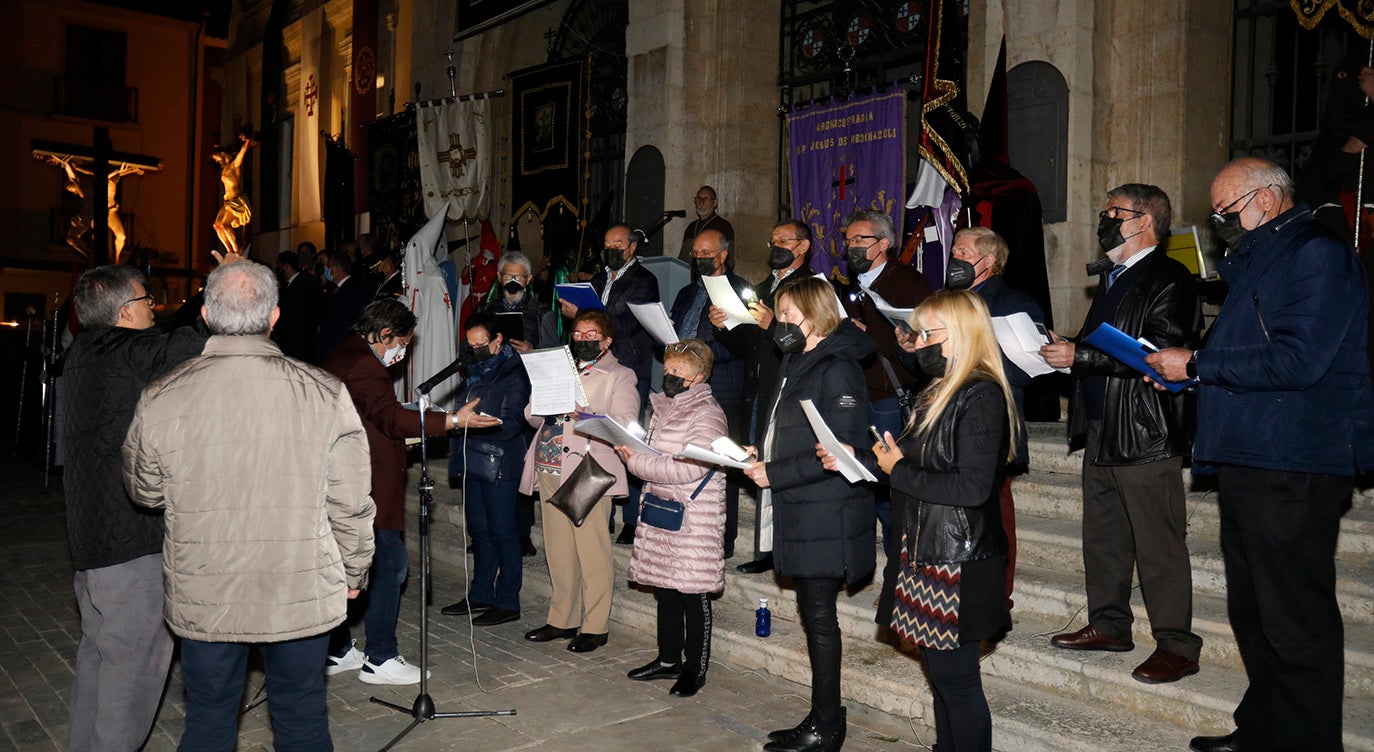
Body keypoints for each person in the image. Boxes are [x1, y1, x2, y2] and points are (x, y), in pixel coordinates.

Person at [1147, 157, 1373, 752]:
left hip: (1293, 459)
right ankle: (1266, 731)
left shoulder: (1317, 255)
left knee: (1293, 619)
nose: (1221, 223)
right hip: (1254, 454)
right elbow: (1251, 350)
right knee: (1255, 612)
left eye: (1227, 211)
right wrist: (1188, 374)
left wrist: (1196, 364)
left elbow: (1300, 361)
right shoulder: (1263, 257)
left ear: (1266, 201)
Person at [122, 261, 375, 752]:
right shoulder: (325, 392)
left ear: (209, 315)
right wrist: (354, 569)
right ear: (275, 316)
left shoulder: (161, 396)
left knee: (209, 722)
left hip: (207, 586)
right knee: (301, 715)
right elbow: (349, 500)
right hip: (296, 583)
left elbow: (144, 490)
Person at [829, 289, 1017, 752]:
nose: (917, 342)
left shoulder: (982, 395)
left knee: (957, 683)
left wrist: (898, 470)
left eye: (929, 332)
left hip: (959, 561)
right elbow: (909, 466)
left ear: (960, 335)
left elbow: (971, 489)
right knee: (942, 678)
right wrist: (857, 460)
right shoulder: (938, 390)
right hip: (925, 552)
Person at [1038, 183, 1204, 685]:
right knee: (1104, 536)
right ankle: (1110, 624)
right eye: (1104, 210)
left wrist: (1080, 356)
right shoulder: (1116, 278)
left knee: (1158, 542)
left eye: (1116, 212)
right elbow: (1107, 346)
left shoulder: (1170, 277)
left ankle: (1177, 644)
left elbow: (1160, 351)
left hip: (1145, 427)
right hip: (1103, 424)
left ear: (1145, 221)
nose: (1105, 219)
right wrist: (1068, 348)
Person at [62, 264, 208, 752]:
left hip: (94, 543)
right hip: (128, 546)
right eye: (149, 300)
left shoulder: (84, 351)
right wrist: (216, 294)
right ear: (126, 311)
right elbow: (186, 346)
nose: (155, 308)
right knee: (133, 668)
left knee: (99, 659)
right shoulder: (119, 351)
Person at [321, 299, 494, 683]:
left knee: (342, 566)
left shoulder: (342, 352)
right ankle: (380, 658)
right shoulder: (366, 365)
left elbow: (371, 414)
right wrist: (451, 419)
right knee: (389, 566)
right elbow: (390, 417)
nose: (402, 353)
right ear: (384, 335)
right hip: (365, 485)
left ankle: (338, 649)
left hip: (344, 477)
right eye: (402, 343)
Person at [742, 276, 875, 752]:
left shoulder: (837, 368)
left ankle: (826, 724)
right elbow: (789, 423)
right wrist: (763, 449)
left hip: (827, 511)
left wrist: (774, 473)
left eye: (787, 313)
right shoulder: (799, 359)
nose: (780, 323)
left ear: (816, 315)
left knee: (819, 619)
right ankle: (822, 716)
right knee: (812, 615)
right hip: (803, 506)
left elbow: (841, 451)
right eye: (778, 314)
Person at [519, 309, 640, 653]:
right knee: (558, 549)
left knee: (592, 551)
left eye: (591, 335)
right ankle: (562, 618)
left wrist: (582, 414)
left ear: (607, 341)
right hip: (549, 462)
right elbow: (530, 416)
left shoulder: (620, 374)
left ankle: (596, 625)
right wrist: (542, 397)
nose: (583, 340)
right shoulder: (561, 370)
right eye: (577, 334)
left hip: (588, 470)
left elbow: (626, 425)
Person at [615, 339, 728, 698]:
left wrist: (635, 460)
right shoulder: (666, 406)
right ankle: (667, 659)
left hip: (694, 517)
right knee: (665, 589)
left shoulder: (707, 413)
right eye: (667, 369)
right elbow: (658, 451)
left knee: (692, 595)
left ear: (698, 376)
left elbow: (689, 466)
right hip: (664, 509)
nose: (670, 376)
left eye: (678, 371)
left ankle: (694, 669)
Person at [940, 226, 1046, 603]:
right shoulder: (944, 300)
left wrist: (975, 354)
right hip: (945, 422)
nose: (955, 259)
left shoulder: (1016, 304)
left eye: (964, 252)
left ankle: (997, 594)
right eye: (954, 251)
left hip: (992, 422)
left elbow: (1031, 370)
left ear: (989, 261)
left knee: (994, 514)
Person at [712, 219, 813, 574]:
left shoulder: (812, 287)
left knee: (783, 467)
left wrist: (773, 325)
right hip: (758, 388)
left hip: (790, 391)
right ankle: (765, 551)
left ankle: (785, 549)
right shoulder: (762, 286)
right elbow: (748, 344)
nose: (776, 247)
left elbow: (809, 343)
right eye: (772, 241)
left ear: (803, 246)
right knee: (760, 465)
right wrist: (724, 326)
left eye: (784, 240)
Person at [840, 210, 933, 553]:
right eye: (848, 240)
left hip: (889, 399)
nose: (851, 247)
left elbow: (921, 348)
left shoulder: (909, 284)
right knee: (865, 483)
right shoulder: (854, 284)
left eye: (859, 240)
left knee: (893, 488)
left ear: (883, 244)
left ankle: (901, 572)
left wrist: (870, 337)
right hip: (855, 395)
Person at [560, 223, 660, 542]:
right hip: (594, 367)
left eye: (617, 244)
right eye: (606, 243)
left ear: (632, 247)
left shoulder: (644, 280)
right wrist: (579, 317)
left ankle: (632, 517)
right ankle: (603, 508)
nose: (610, 249)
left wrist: (587, 313)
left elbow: (630, 322)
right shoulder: (601, 277)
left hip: (628, 367)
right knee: (593, 439)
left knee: (624, 440)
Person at [439, 311, 532, 626]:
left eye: (480, 344)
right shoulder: (473, 369)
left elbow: (514, 423)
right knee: (479, 530)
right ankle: (480, 594)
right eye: (469, 344)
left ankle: (508, 601)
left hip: (501, 460)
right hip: (473, 457)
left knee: (504, 532)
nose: (474, 350)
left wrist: (471, 425)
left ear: (497, 341)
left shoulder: (514, 372)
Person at [670, 228, 750, 556]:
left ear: (723, 255)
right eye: (696, 253)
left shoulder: (741, 289)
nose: (700, 258)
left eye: (707, 253)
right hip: (684, 389)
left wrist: (702, 352)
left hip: (723, 388)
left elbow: (746, 347)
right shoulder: (688, 293)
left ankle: (724, 536)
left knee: (722, 462)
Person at [316, 247, 371, 360]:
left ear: (337, 270)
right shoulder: (333, 290)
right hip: (330, 351)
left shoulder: (353, 291)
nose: (326, 270)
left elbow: (358, 321)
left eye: (329, 267)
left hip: (342, 351)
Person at [272, 249, 323, 362]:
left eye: (279, 265)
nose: (278, 269)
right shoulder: (290, 285)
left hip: (298, 342)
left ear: (286, 266)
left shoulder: (303, 285)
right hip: (293, 340)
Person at [212, 133, 255, 256]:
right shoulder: (224, 169)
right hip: (227, 201)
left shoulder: (235, 166)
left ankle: (236, 250)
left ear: (222, 155)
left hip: (236, 200)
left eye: (216, 158)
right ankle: (229, 250)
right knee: (217, 225)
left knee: (225, 225)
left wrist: (246, 141)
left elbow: (242, 153)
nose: (216, 160)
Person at [679, 185, 735, 260]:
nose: (701, 202)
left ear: (715, 203)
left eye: (706, 199)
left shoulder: (724, 227)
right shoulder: (691, 227)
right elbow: (682, 257)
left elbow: (728, 260)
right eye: (699, 199)